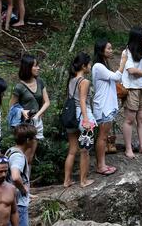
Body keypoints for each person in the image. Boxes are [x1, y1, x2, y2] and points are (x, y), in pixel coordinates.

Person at [92, 39, 126, 175]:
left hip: (106, 105)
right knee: (102, 136)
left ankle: (102, 163)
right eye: (109, 49)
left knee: (103, 136)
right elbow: (117, 77)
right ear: (101, 50)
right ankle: (100, 166)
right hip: (103, 106)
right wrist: (123, 61)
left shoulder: (103, 65)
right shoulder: (98, 67)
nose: (111, 51)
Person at [9, 54, 51, 166]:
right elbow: (12, 106)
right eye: (35, 66)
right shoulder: (19, 87)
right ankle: (18, 178)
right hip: (24, 125)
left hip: (36, 122)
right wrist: (22, 111)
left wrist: (38, 115)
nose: (38, 68)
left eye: (38, 65)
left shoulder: (40, 82)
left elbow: (47, 102)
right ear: (28, 67)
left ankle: (26, 182)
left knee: (30, 157)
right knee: (22, 155)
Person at [64, 52, 96, 188]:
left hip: (70, 117)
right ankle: (83, 181)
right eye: (89, 64)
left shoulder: (71, 80)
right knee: (85, 150)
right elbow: (82, 100)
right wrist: (86, 120)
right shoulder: (84, 81)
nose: (90, 66)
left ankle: (67, 180)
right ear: (84, 66)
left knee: (72, 150)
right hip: (83, 116)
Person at [121, 27, 142, 158]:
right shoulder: (126, 52)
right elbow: (131, 70)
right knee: (129, 119)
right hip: (131, 89)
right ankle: (128, 148)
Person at [6, 123, 37, 226]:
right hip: (18, 204)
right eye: (34, 138)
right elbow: (15, 177)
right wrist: (23, 190)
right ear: (28, 140)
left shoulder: (10, 150)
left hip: (10, 199)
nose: (35, 140)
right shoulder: (18, 156)